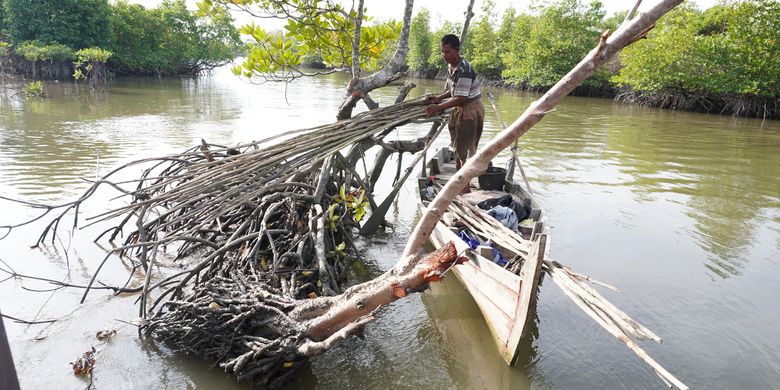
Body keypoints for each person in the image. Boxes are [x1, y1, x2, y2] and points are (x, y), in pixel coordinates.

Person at [425, 34, 485, 171]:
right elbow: (454, 91)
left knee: (466, 148)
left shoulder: (464, 70)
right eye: (442, 52)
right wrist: (438, 98)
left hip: (470, 109)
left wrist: (438, 107)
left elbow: (462, 98)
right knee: (457, 145)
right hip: (458, 107)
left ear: (457, 50)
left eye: (448, 52)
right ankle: (458, 174)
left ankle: (464, 185)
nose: (444, 55)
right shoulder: (451, 66)